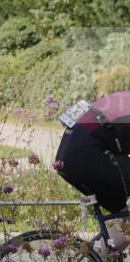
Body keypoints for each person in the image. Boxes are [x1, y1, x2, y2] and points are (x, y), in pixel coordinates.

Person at [54, 91, 130, 248]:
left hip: (71, 154)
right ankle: (96, 259)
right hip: (87, 151)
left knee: (127, 220)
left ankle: (97, 259)